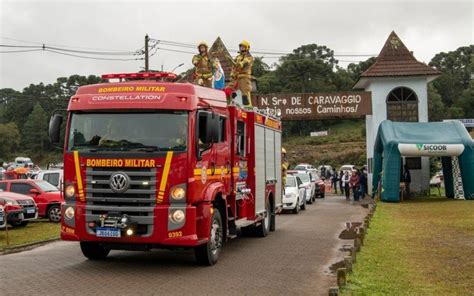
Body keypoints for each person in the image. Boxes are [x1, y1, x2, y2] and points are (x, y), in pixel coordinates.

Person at [229, 40, 254, 107]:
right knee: (230, 91)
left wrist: (240, 64)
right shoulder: (237, 57)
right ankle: (232, 104)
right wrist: (232, 74)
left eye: (243, 46)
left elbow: (246, 62)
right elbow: (233, 66)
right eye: (241, 46)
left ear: (247, 47)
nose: (242, 48)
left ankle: (248, 107)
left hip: (244, 76)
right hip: (236, 77)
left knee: (245, 92)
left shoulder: (249, 57)